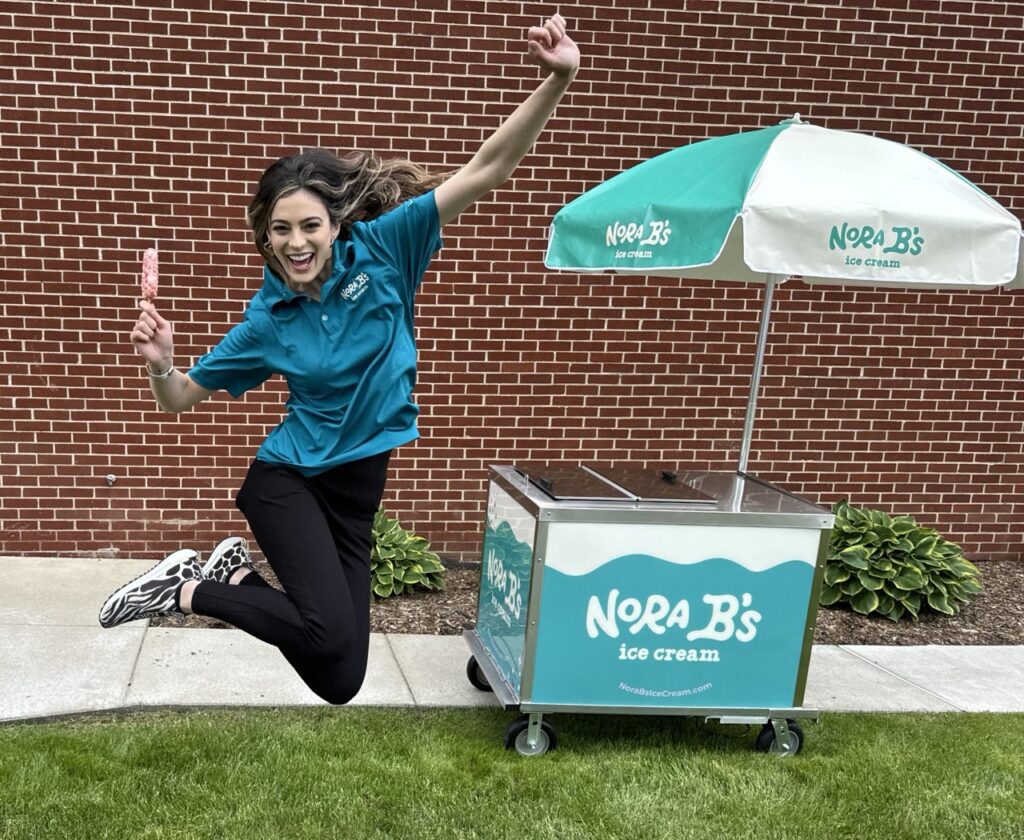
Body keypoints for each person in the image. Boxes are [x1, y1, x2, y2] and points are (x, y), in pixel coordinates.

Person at [99, 14, 580, 705]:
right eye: (280, 231)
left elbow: (488, 168)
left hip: (356, 495)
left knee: (339, 678)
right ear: (266, 240)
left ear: (334, 224)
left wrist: (558, 79)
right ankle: (182, 588)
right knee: (326, 640)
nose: (296, 243)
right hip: (288, 482)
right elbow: (177, 399)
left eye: (309, 226)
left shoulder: (386, 250)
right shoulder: (268, 321)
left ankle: (231, 578)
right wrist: (161, 362)